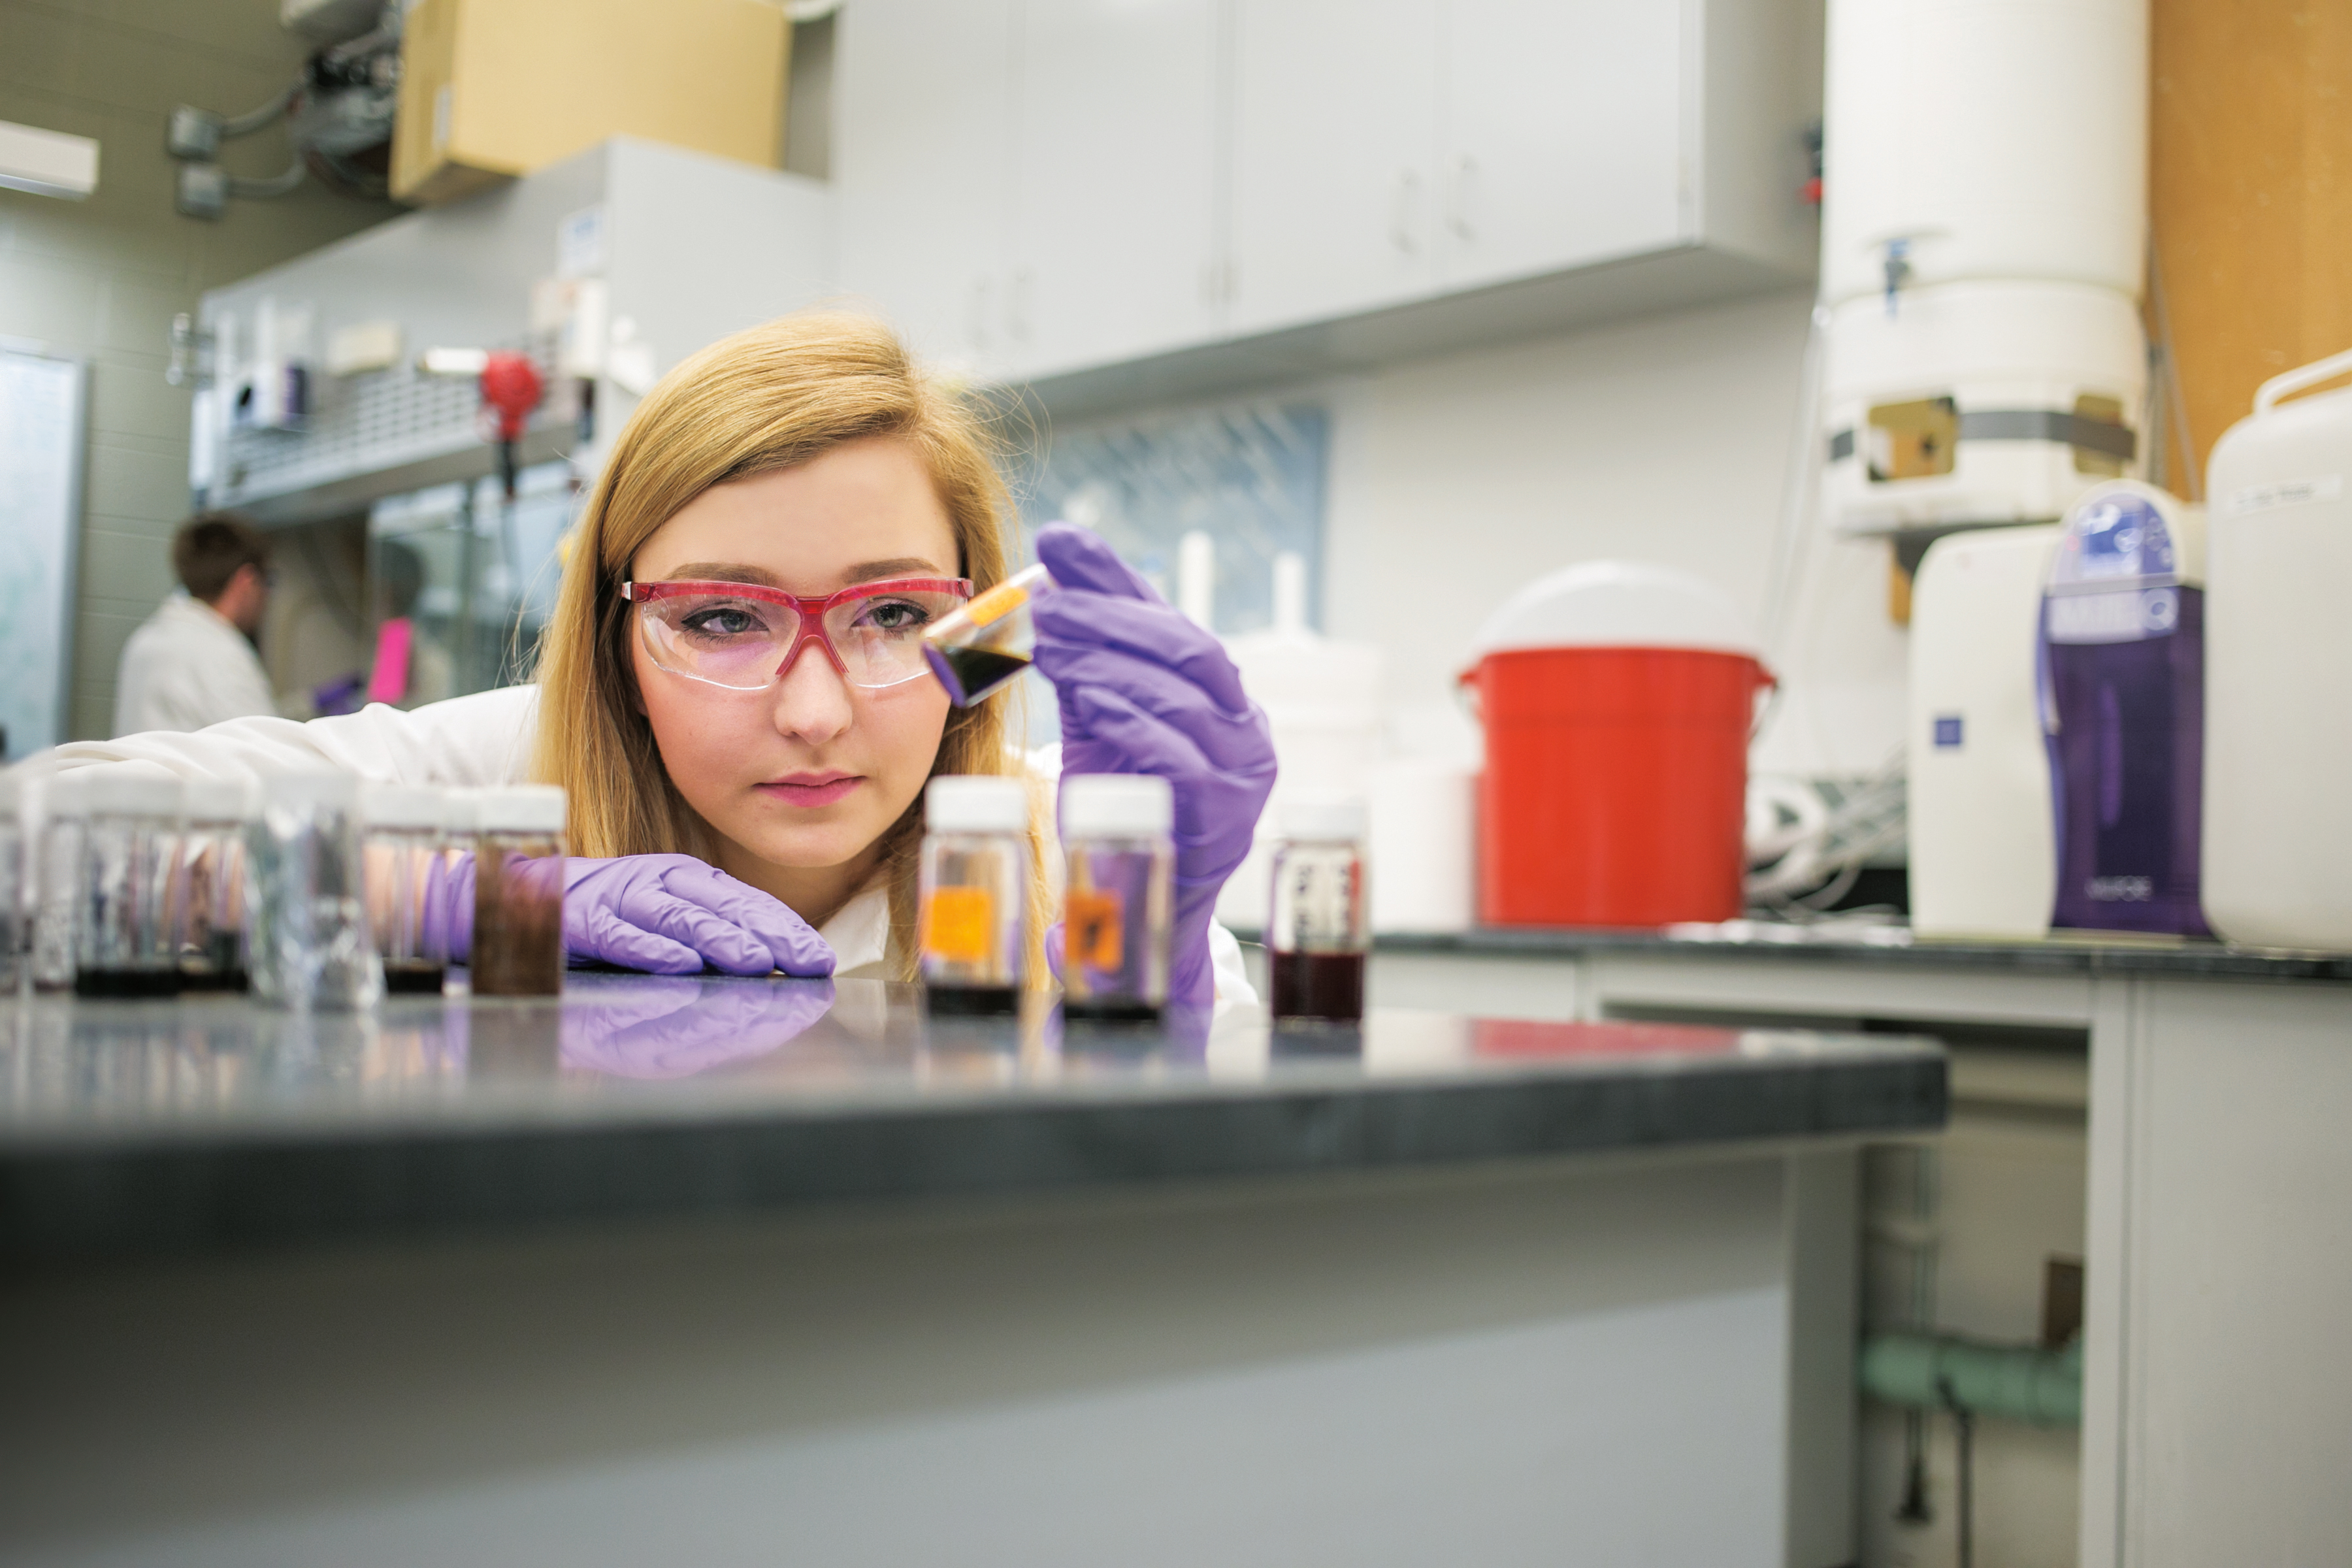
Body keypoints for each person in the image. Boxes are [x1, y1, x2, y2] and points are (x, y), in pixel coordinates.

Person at [48, 314, 1277, 1009]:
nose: (812, 712)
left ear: (979, 636)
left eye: (893, 616)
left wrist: (1145, 963)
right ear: (615, 637)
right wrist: (452, 897)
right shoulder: (506, 772)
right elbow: (45, 833)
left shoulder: (1070, 844)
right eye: (724, 620)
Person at [112, 515, 277, 736]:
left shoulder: (145, 638)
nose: (266, 596)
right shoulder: (220, 653)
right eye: (267, 582)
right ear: (246, 582)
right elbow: (268, 753)